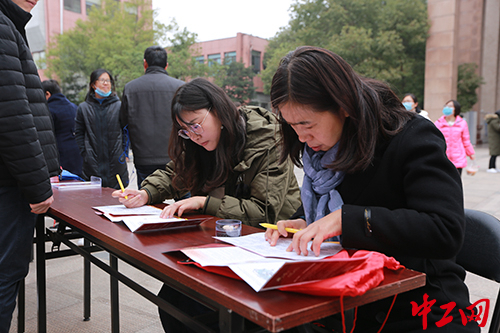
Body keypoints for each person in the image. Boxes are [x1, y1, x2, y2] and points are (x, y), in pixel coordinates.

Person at [265, 46, 479, 332]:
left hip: (419, 306)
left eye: (307, 124)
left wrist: (348, 219)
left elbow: (445, 230)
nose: (302, 137)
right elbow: (323, 210)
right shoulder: (319, 154)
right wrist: (303, 222)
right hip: (348, 301)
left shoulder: (410, 137)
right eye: (292, 126)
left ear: (343, 105)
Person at [112, 78, 301, 332]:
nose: (192, 135)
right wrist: (146, 193)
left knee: (200, 310)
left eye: (195, 125)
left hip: (269, 244)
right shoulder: (198, 140)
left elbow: (264, 212)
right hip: (224, 241)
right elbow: (175, 172)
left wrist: (205, 202)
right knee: (172, 301)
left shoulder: (266, 139)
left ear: (220, 112)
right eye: (184, 129)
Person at [0, 0, 60, 331]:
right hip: (9, 186)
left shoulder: (11, 24)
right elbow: (12, 115)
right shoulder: (3, 26)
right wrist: (38, 186)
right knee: (5, 277)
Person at [120, 46, 184, 188]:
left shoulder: (130, 88)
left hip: (144, 157)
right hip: (175, 156)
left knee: (147, 200)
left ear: (145, 63)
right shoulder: (180, 87)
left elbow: (123, 122)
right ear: (166, 65)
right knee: (183, 201)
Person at [75, 68, 128, 189]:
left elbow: (126, 130)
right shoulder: (83, 108)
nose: (106, 83)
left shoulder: (119, 106)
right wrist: (85, 153)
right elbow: (79, 133)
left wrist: (124, 152)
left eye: (108, 81)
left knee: (117, 198)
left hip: (116, 162)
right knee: (94, 199)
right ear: (93, 84)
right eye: (102, 80)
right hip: (92, 163)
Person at [42, 79, 83, 177]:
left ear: (47, 94)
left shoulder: (48, 110)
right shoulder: (73, 106)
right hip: (77, 154)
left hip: (60, 155)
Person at [434, 100, 476, 175]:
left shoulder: (462, 123)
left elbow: (466, 140)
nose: (447, 108)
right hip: (443, 157)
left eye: (450, 106)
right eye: (446, 106)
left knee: (456, 183)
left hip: (458, 158)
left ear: (456, 109)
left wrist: (471, 153)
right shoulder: (438, 123)